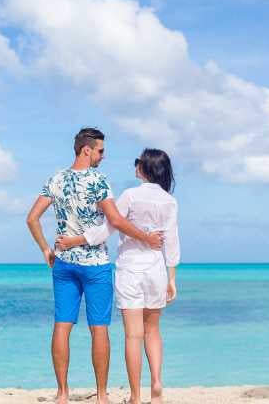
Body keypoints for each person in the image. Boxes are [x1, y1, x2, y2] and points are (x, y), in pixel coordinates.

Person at [26, 128, 163, 404]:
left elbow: (32, 218)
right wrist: (146, 237)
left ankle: (62, 394)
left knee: (62, 325)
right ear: (86, 150)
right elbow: (116, 221)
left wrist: (45, 249)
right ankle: (102, 396)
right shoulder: (98, 181)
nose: (103, 156)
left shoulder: (56, 179)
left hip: (64, 263)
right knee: (98, 328)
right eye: (100, 150)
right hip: (95, 265)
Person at [57, 148, 180, 404]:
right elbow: (172, 242)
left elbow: (106, 229)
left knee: (133, 335)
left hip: (131, 270)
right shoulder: (170, 201)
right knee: (153, 331)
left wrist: (73, 240)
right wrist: (171, 277)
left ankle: (135, 396)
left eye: (138, 162)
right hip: (157, 270)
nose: (135, 166)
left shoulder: (130, 196)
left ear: (145, 169)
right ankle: (156, 383)